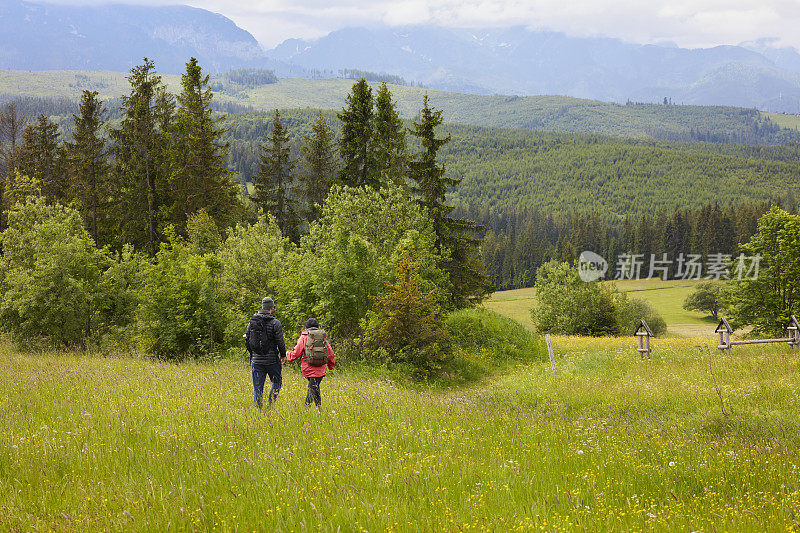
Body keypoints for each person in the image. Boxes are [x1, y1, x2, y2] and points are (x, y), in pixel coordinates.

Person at [245, 297, 286, 408]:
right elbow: (280, 341)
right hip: (272, 360)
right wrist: (283, 355)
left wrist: (253, 354)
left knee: (258, 387)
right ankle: (270, 405)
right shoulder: (275, 323)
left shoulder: (252, 322)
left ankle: (258, 410)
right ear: (271, 308)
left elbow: (247, 340)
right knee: (277, 382)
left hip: (257, 361)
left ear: (263, 307)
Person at [286, 318, 335, 408]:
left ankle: (306, 410)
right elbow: (330, 353)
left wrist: (287, 354)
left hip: (308, 369)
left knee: (312, 388)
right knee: (315, 387)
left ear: (306, 327)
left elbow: (296, 354)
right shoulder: (322, 337)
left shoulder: (304, 337)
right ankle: (319, 409)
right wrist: (331, 365)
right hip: (321, 369)